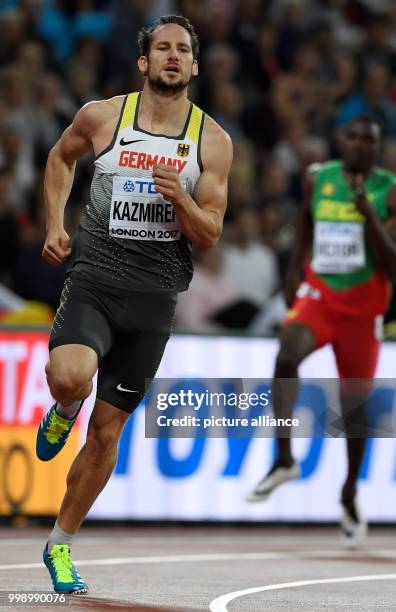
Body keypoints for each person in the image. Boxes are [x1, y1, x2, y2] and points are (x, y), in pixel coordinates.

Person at [35, 14, 232, 594]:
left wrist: (183, 204)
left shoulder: (212, 141)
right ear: (144, 63)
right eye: (162, 48)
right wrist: (54, 222)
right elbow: (59, 159)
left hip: (155, 300)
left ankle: (60, 543)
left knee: (106, 435)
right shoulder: (103, 117)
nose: (173, 57)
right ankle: (63, 407)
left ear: (194, 66)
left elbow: (212, 232)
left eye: (183, 50)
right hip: (96, 277)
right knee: (70, 375)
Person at [246, 117, 396, 547]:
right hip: (321, 296)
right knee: (286, 351)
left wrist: (369, 215)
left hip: (364, 309)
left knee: (355, 406)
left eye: (369, 140)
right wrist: (294, 271)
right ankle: (284, 458)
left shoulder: (389, 189)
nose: (360, 146)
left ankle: (349, 492)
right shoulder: (319, 178)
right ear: (341, 141)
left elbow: (393, 265)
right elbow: (305, 226)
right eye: (353, 137)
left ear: (378, 147)